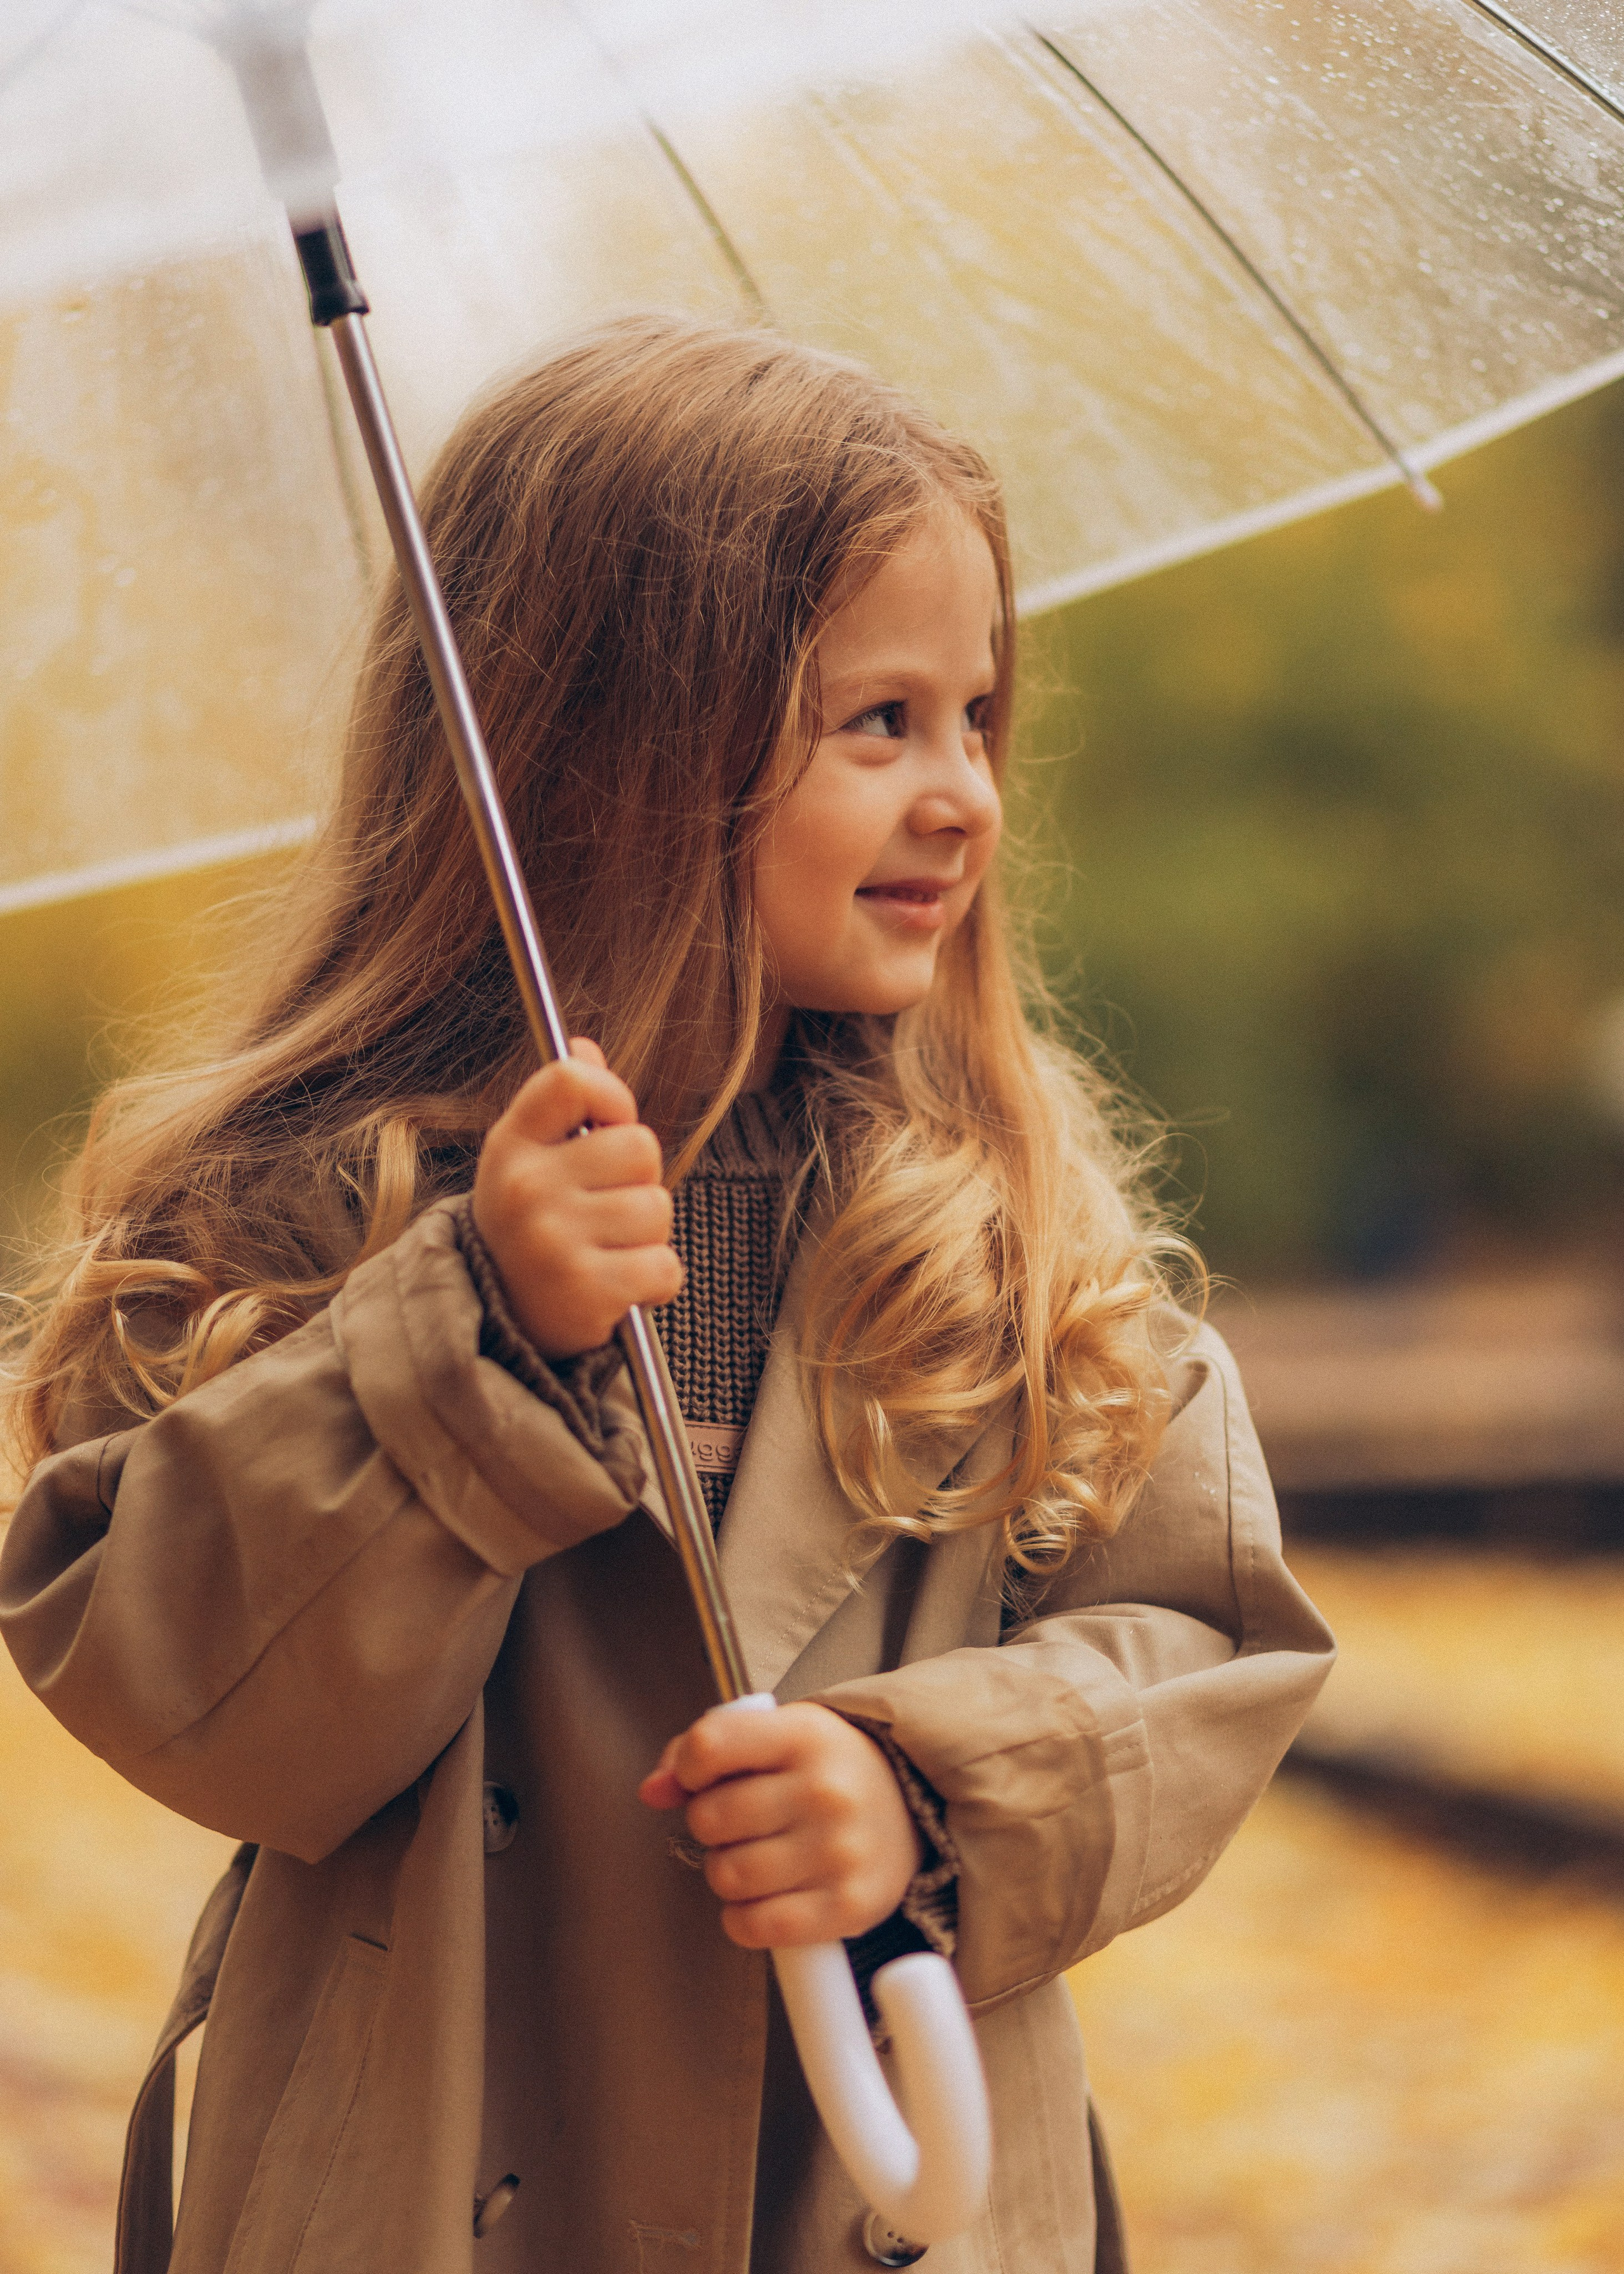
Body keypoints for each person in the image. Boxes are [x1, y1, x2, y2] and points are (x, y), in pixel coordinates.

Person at [0, 315, 1333, 2274]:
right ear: (613, 755)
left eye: (976, 716)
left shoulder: (1000, 1231)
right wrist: (466, 1342)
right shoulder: (312, 1213)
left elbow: (1203, 1641)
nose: (964, 792)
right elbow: (197, 1696)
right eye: (878, 723)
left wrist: (930, 1788)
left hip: (883, 2176)